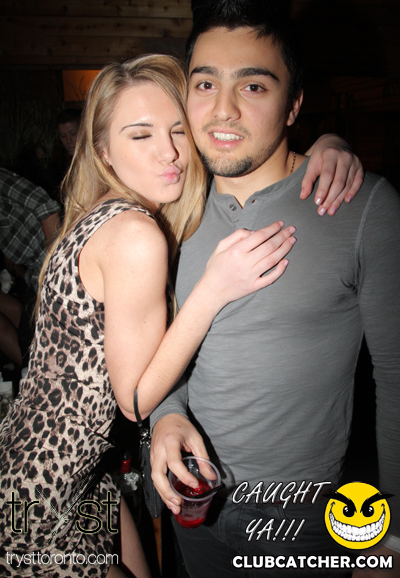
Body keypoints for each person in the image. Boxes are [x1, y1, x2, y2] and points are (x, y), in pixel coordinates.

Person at [0, 53, 303, 578]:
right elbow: (136, 400)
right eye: (141, 135)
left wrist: (324, 147)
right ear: (103, 151)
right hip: (41, 496)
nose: (170, 153)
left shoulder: (102, 213)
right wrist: (214, 288)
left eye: (178, 130)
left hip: (65, 470)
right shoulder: (136, 235)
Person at [149, 0, 400, 577]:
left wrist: (393, 531)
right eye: (205, 84)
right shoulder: (166, 211)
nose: (223, 110)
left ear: (294, 105)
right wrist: (166, 415)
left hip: (306, 522)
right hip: (195, 508)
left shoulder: (364, 206)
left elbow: (395, 374)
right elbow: (162, 351)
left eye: (253, 86)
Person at [0, 168, 60, 369]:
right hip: (36, 275)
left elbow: (46, 208)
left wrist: (55, 267)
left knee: (37, 351)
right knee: (31, 342)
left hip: (53, 271)